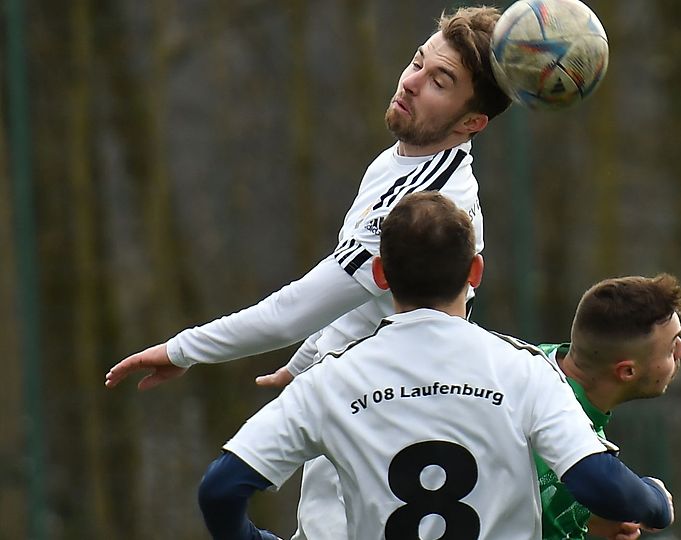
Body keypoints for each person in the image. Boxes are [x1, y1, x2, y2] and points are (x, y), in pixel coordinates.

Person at [105, 6, 510, 539]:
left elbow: (291, 312)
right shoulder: (402, 162)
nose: (411, 82)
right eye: (417, 62)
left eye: (440, 82)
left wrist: (182, 349)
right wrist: (307, 360)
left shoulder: (423, 203)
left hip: (381, 424)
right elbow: (359, 298)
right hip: (366, 408)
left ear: (471, 122)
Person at [196, 192, 674, 540]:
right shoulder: (525, 371)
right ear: (475, 272)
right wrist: (655, 501)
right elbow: (602, 487)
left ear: (380, 275)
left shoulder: (329, 380)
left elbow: (220, 490)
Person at [535, 274, 681, 540]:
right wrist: (653, 499)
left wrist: (585, 519)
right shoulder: (546, 407)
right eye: (670, 347)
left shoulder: (540, 364)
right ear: (627, 371)